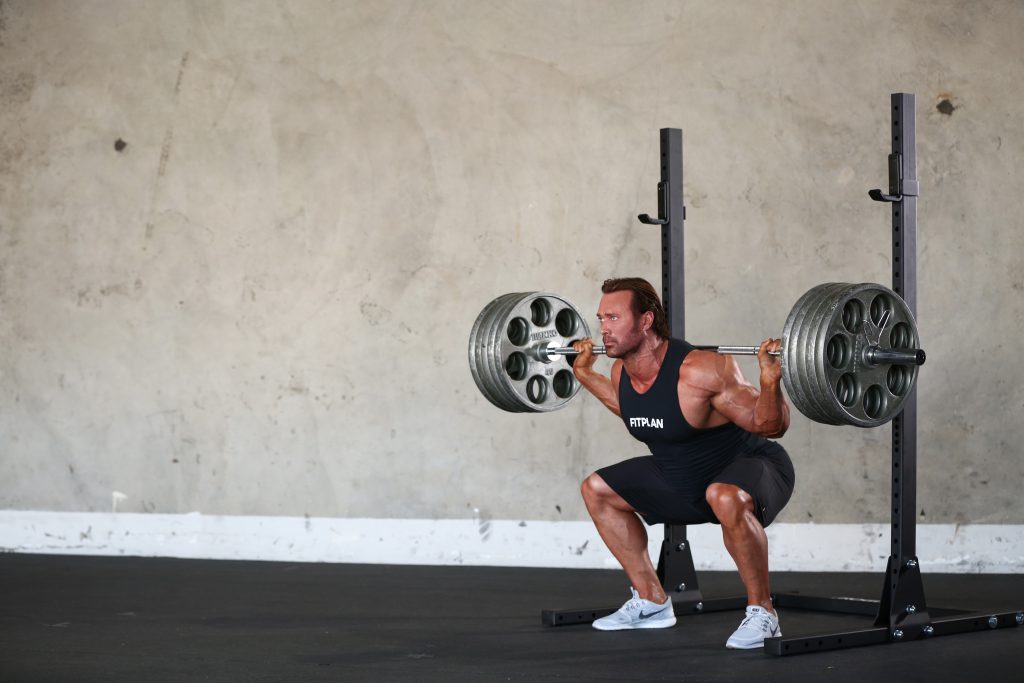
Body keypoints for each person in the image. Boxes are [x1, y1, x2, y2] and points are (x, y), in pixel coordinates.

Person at [571, 277, 795, 649]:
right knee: (596, 490)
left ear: (645, 321)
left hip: (752, 466)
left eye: (613, 317)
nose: (603, 329)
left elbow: (769, 426)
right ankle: (652, 602)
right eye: (601, 319)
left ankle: (764, 613)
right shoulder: (620, 372)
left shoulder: (703, 371)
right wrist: (583, 373)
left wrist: (770, 383)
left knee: (722, 494)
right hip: (683, 479)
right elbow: (629, 409)